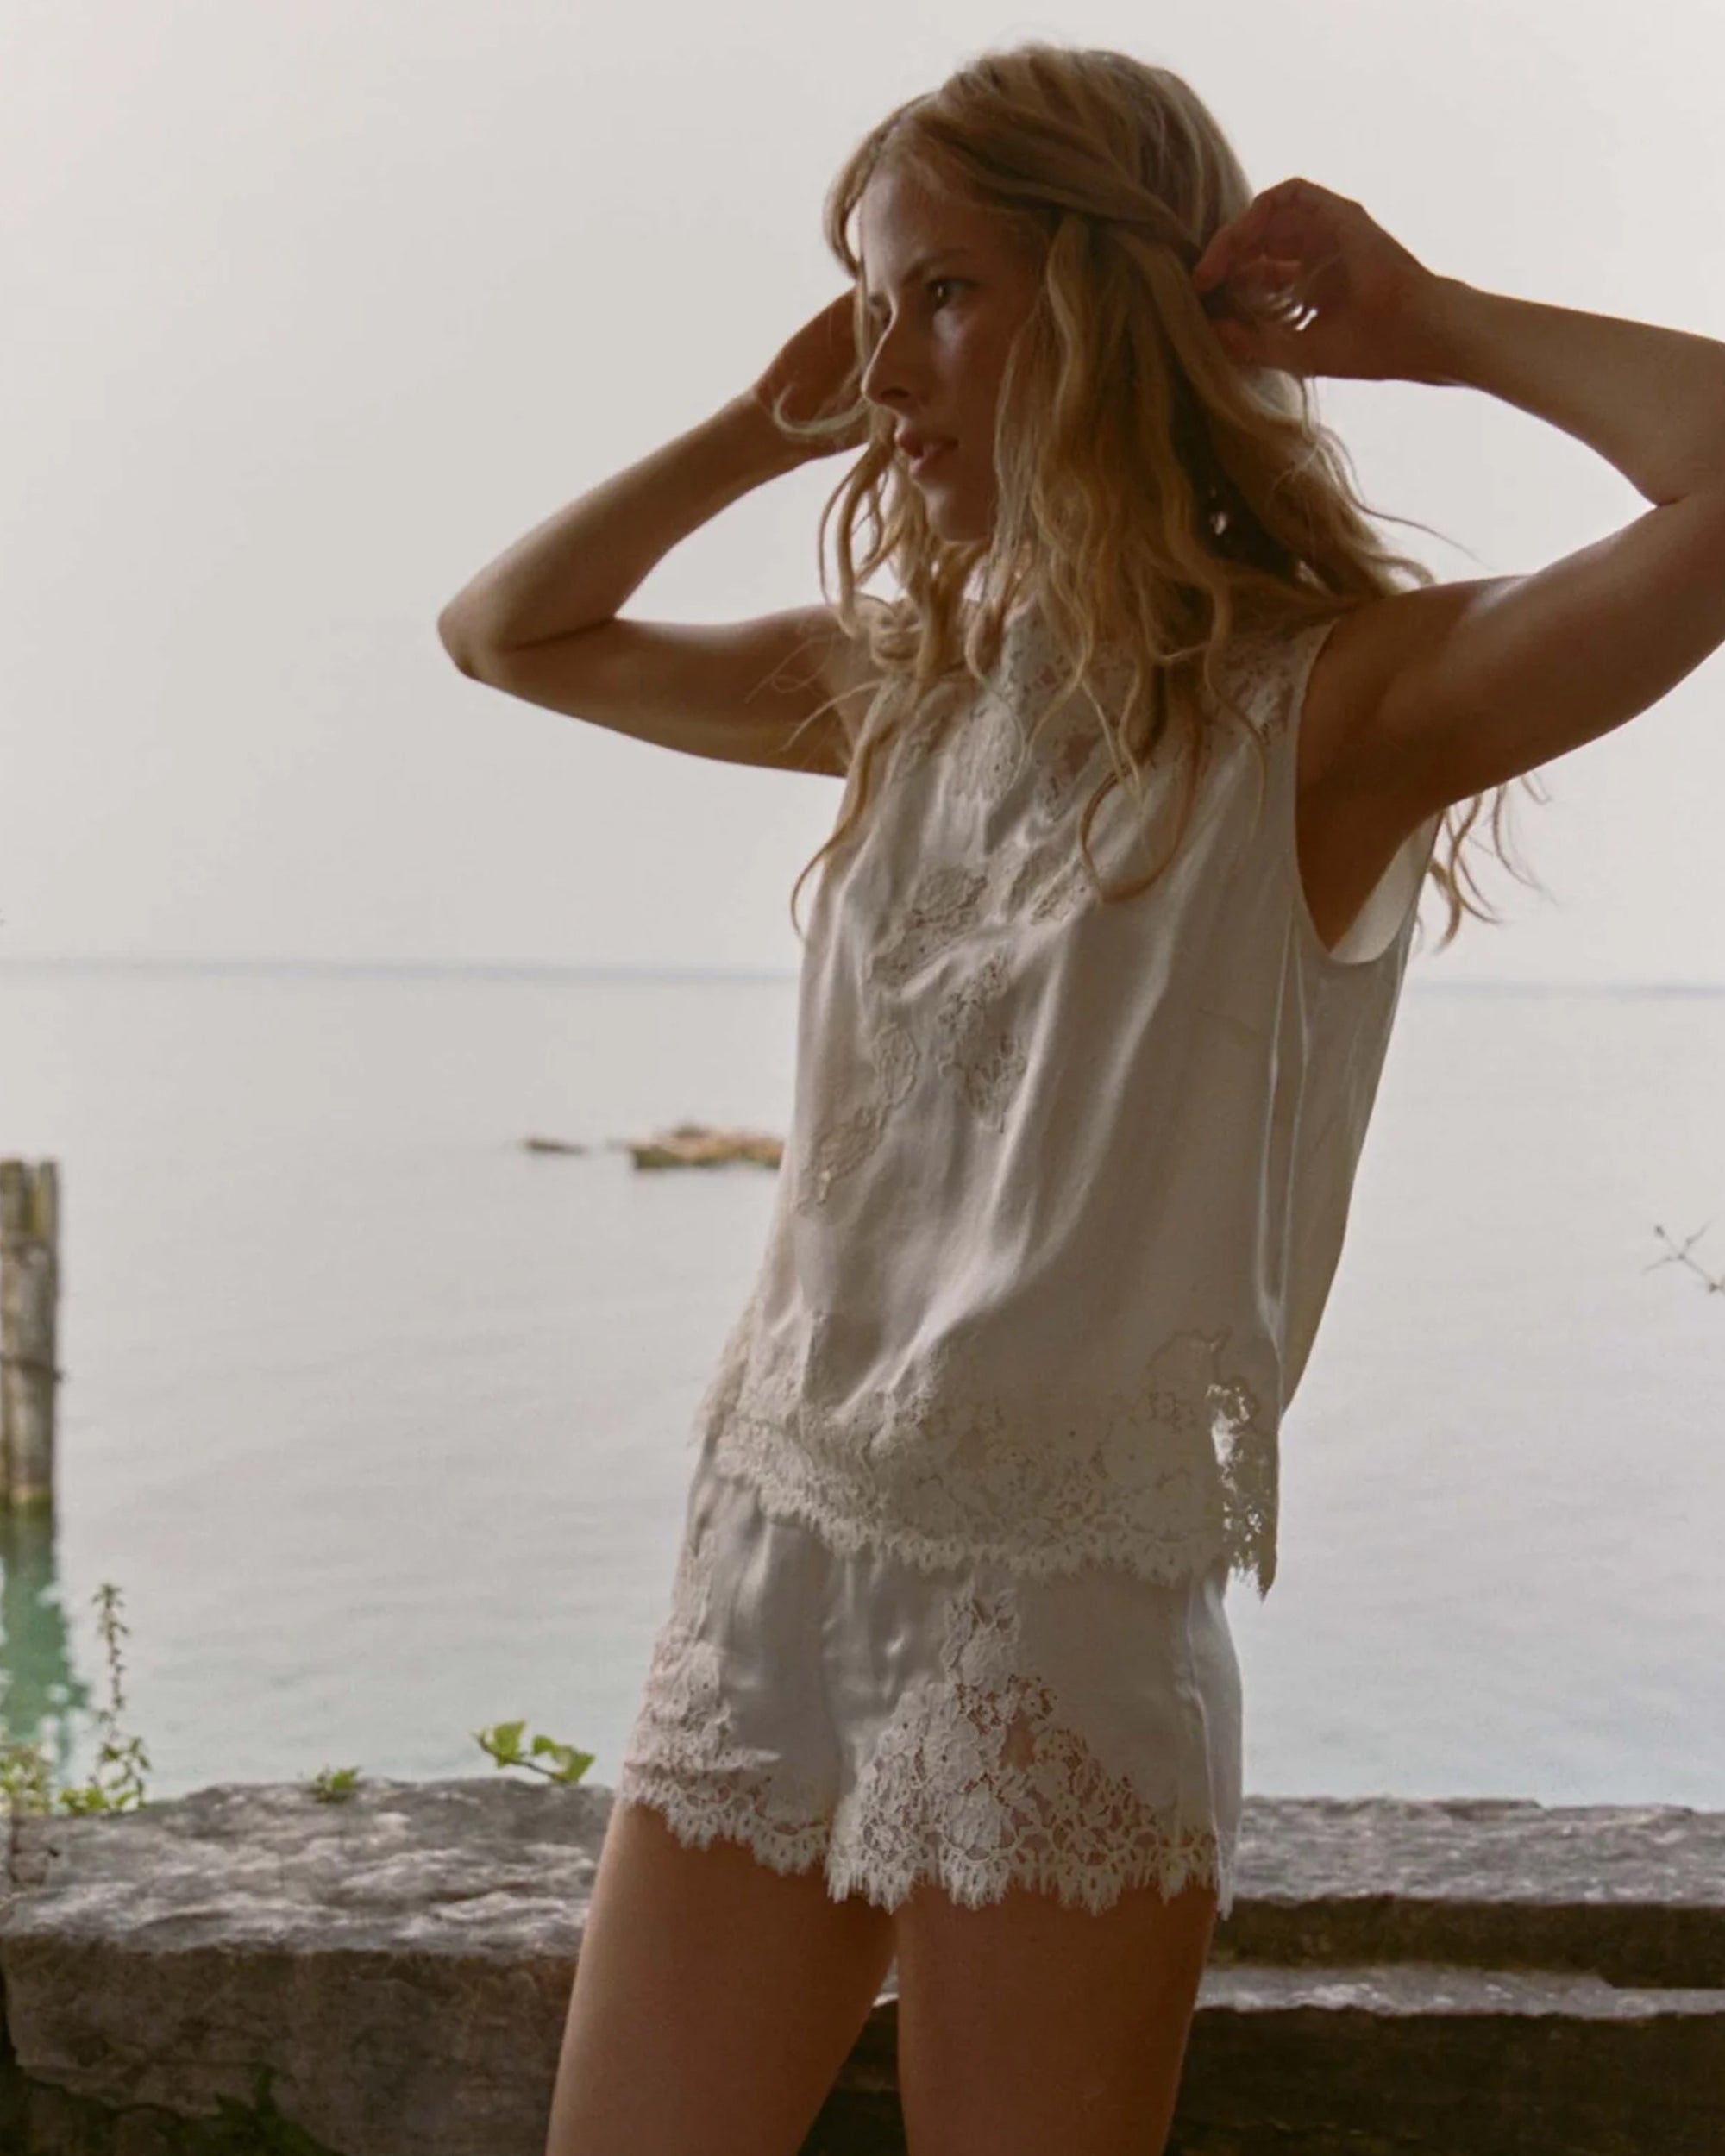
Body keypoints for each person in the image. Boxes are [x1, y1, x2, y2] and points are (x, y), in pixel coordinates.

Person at [436, 41, 1725, 2156]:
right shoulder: (901, 686)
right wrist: (761, 422)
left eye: (943, 294)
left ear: (1117, 309)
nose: (887, 370)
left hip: (1056, 1614)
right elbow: (507, 631)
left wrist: (1428, 323)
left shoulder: (1332, 712)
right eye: (870, 306)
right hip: (768, 1555)